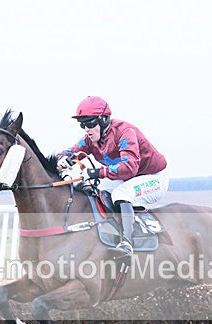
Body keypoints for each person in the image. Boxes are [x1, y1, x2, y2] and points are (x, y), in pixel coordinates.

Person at [56, 96, 169, 258]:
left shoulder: (125, 133)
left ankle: (127, 243)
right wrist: (63, 159)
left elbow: (129, 167)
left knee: (121, 194)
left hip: (153, 177)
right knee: (93, 188)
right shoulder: (91, 139)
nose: (86, 129)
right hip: (127, 178)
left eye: (90, 123)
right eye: (82, 124)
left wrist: (97, 172)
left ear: (103, 120)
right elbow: (71, 152)